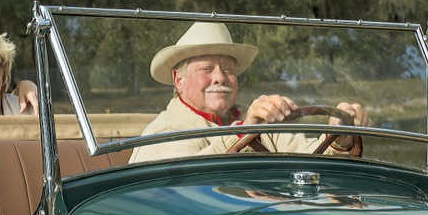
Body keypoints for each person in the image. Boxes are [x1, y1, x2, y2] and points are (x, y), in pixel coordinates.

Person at [129, 22, 372, 163]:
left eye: (228, 69)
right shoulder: (163, 134)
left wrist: (340, 138)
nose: (220, 77)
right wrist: (245, 128)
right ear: (178, 79)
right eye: (206, 69)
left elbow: (309, 160)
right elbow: (185, 184)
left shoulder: (261, 124)